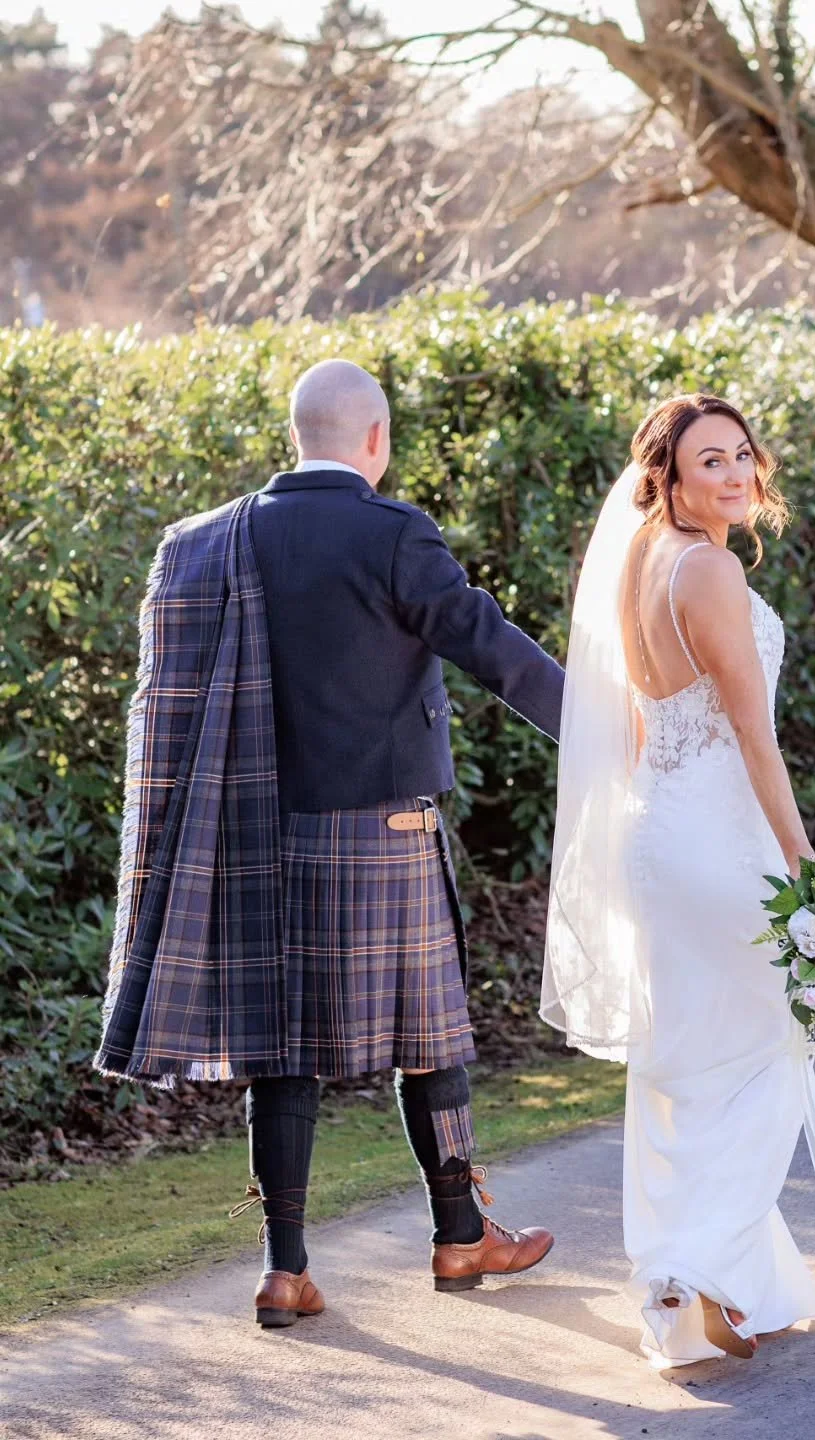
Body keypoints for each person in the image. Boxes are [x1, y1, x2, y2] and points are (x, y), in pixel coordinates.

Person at [95, 359, 561, 1326]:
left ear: (295, 432)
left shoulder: (212, 541)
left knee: (283, 1052)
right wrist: (607, 727)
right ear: (376, 440)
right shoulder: (394, 533)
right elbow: (490, 644)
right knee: (429, 1042)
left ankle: (286, 1270)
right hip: (384, 832)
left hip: (260, 834)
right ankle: (462, 1237)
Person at [542, 394, 815, 1367]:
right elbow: (753, 732)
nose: (739, 474)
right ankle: (699, 1266)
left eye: (744, 454)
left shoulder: (640, 561)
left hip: (659, 833)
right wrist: (811, 872)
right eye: (713, 460)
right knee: (769, 1051)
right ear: (665, 477)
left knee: (691, 1064)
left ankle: (714, 1283)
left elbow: (635, 725)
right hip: (718, 839)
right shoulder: (705, 567)